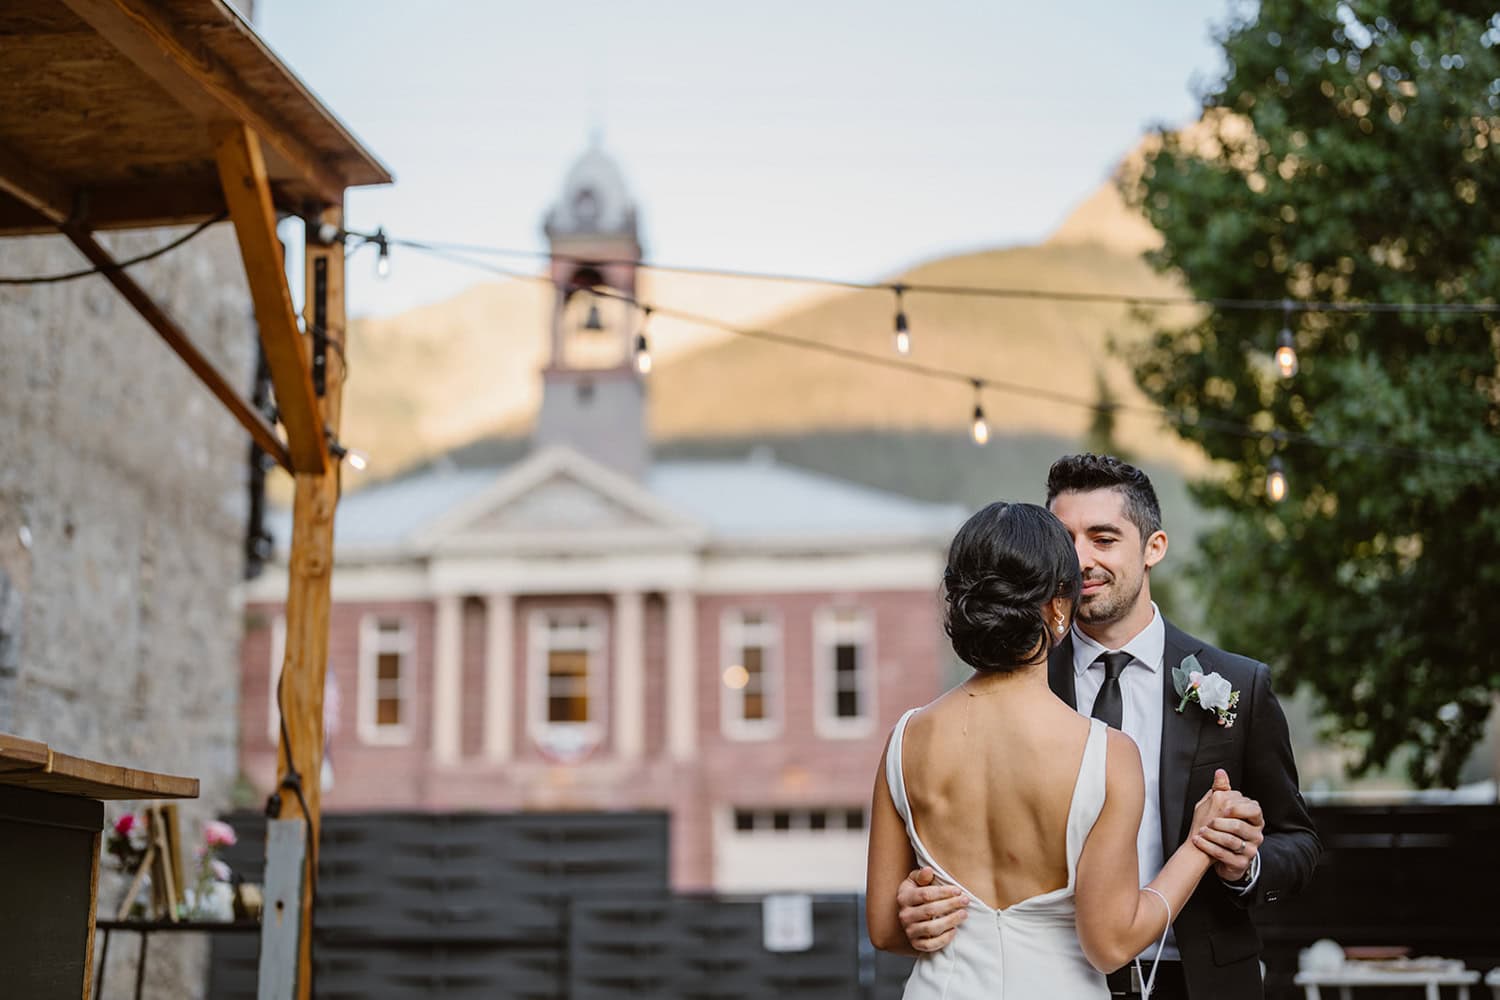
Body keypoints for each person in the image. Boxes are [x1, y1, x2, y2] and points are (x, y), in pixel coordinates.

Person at [891, 455, 1321, 999]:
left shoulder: (1239, 684)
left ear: (1153, 548)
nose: (1080, 561)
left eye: (1104, 538)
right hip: (1061, 975)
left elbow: (1300, 841)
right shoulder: (1011, 683)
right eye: (1064, 540)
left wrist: (1247, 864)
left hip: (1199, 980)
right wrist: (915, 898)